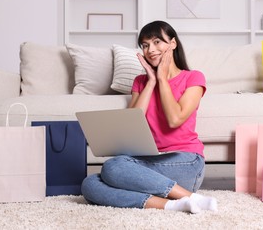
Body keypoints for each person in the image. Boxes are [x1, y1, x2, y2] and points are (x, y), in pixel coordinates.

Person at [81, 20, 217, 213]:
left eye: (157, 42)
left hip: (186, 162)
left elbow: (174, 119)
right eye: (145, 45)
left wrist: (162, 78)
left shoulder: (193, 78)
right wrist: (151, 81)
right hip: (148, 163)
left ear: (173, 43)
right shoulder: (141, 82)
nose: (150, 49)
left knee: (112, 167)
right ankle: (173, 204)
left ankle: (187, 194)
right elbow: (130, 125)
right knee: (90, 184)